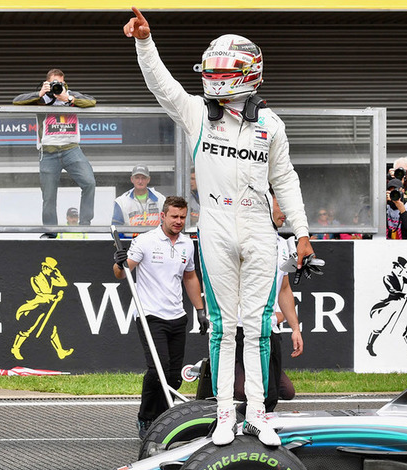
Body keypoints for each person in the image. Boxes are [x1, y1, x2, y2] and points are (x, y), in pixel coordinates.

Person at [124, 8, 316, 447]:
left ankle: (260, 414)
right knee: (223, 326)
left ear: (247, 74)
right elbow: (162, 85)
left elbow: (285, 180)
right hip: (213, 225)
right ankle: (225, 413)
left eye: (221, 70)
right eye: (210, 69)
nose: (212, 77)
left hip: (258, 227)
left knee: (258, 325)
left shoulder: (271, 125)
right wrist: (144, 42)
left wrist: (302, 233)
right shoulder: (196, 114)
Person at [113, 196, 208, 439]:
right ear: (162, 216)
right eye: (174, 216)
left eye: (182, 217)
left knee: (174, 377)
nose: (178, 221)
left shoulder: (188, 244)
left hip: (177, 316)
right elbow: (121, 274)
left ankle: (163, 420)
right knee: (158, 371)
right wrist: (119, 263)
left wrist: (199, 310)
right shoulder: (145, 241)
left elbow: (190, 277)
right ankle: (145, 419)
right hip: (150, 315)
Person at [234, 192, 302, 413]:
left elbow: (284, 288)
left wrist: (295, 329)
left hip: (270, 327)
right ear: (265, 207)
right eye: (281, 207)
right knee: (261, 393)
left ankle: (253, 433)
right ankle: (226, 422)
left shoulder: (285, 245)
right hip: (243, 327)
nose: (286, 214)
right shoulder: (244, 240)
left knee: (273, 395)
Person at [13, 69, 97, 236]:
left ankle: (85, 224)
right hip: (48, 152)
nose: (57, 87)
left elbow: (92, 101)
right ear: (47, 84)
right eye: (53, 84)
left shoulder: (70, 95)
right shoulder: (41, 99)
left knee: (89, 182)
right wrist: (40, 93)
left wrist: (68, 98)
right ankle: (51, 232)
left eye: (60, 83)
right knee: (49, 196)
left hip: (71, 149)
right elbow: (16, 101)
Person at [11, 257, 74, 361]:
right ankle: (15, 348)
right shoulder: (36, 279)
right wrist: (54, 296)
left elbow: (64, 283)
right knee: (28, 329)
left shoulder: (51, 279)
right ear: (44, 267)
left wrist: (57, 273)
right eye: (50, 269)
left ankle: (60, 351)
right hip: (36, 307)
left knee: (52, 329)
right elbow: (42, 294)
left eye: (52, 269)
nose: (51, 271)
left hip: (46, 308)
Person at [366, 257, 407, 357]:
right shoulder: (388, 277)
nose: (402, 269)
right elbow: (392, 290)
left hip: (399, 303)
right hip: (390, 304)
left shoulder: (402, 277)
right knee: (380, 326)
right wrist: (404, 294)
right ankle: (370, 345)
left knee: (404, 326)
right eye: (401, 267)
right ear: (396, 266)